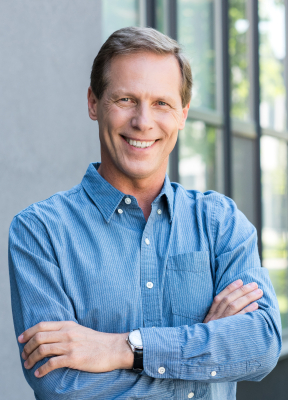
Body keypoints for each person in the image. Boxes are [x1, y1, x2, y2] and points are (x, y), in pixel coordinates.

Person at [9, 27, 281, 400]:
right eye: (125, 99)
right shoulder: (40, 232)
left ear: (183, 114)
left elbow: (262, 343)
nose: (143, 121)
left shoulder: (220, 222)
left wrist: (122, 349)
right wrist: (203, 359)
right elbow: (62, 388)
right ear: (93, 103)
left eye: (161, 104)